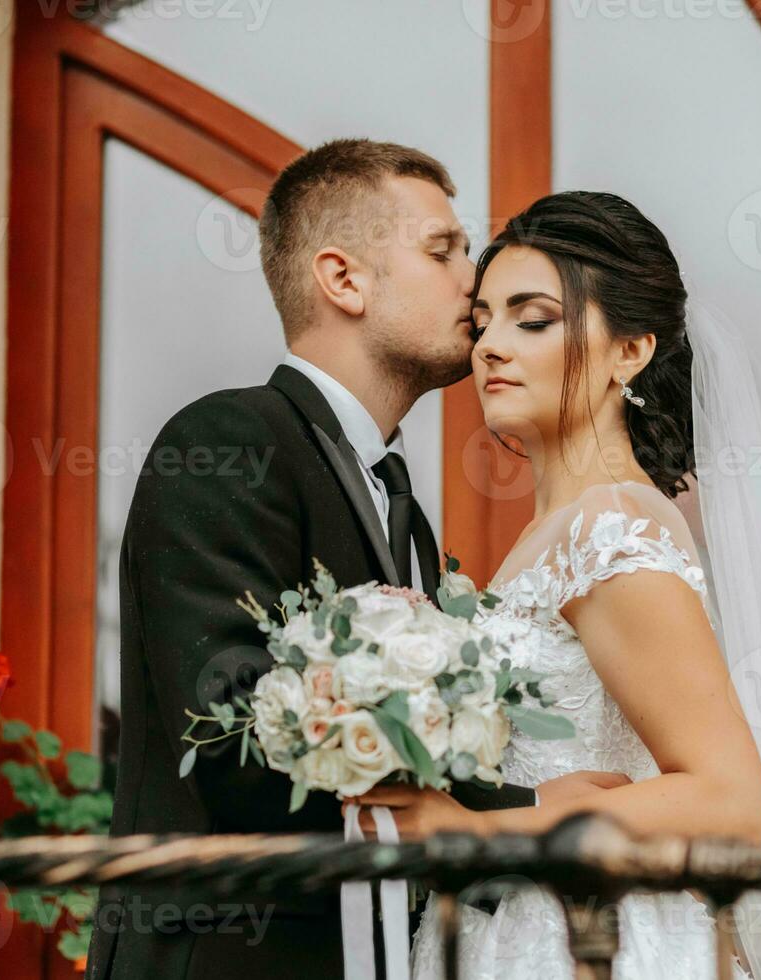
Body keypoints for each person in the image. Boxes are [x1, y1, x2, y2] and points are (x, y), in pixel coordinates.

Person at [346, 192, 761, 979]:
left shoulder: (614, 531)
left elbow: (731, 800)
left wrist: (476, 833)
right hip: (516, 930)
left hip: (592, 942)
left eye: (533, 319)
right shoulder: (551, 536)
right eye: (483, 319)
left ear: (629, 351)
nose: (492, 344)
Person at [86, 139, 556, 980]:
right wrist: (527, 814)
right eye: (444, 251)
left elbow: (411, 759)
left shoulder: (399, 503)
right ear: (344, 280)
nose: (475, 286)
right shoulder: (229, 444)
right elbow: (234, 735)